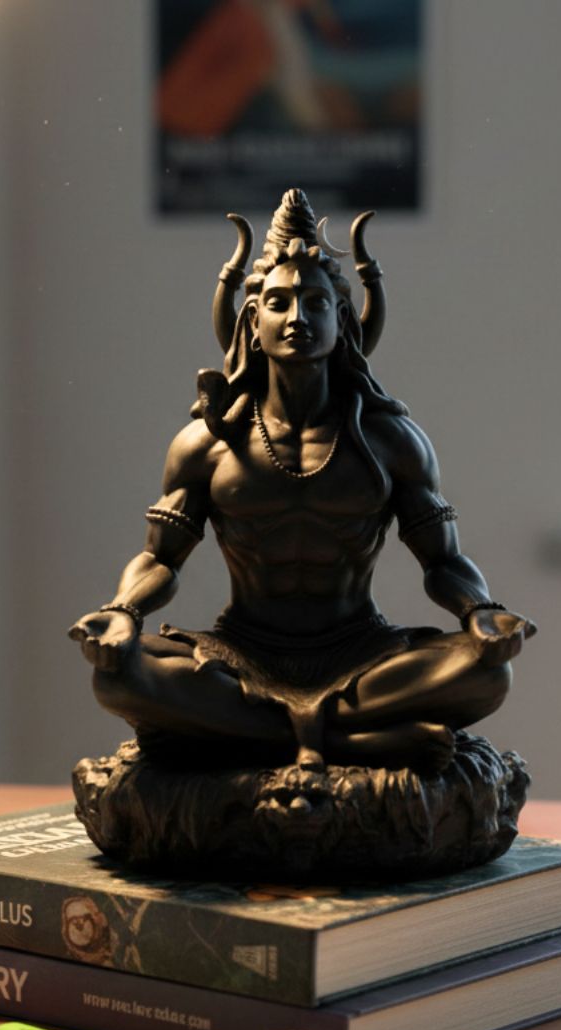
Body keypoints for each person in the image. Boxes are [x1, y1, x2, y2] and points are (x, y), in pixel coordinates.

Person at [71, 190, 534, 774]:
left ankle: (245, 740)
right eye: (279, 302)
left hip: (361, 654)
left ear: (342, 320)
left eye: (315, 302)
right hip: (240, 652)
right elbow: (159, 559)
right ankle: (353, 744)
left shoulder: (390, 439)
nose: (297, 318)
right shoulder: (208, 442)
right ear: (252, 318)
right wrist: (121, 613)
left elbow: (442, 562)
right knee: (119, 676)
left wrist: (480, 613)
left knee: (486, 671)